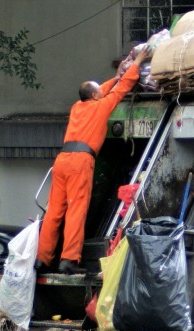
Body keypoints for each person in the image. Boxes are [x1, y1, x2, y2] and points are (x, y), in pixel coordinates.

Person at [36, 48, 150, 274]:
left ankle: (42, 258)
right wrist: (138, 61)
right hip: (80, 162)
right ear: (97, 96)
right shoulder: (102, 106)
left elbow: (106, 88)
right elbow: (124, 87)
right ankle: (69, 260)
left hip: (61, 161)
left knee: (54, 212)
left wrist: (115, 76)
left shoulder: (77, 107)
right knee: (76, 210)